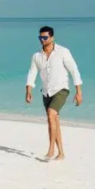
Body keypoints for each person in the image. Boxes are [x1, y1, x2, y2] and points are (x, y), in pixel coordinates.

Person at [25, 26, 83, 161]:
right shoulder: (37, 56)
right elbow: (32, 73)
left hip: (61, 89)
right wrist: (28, 90)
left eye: (45, 37)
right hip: (46, 92)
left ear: (52, 38)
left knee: (51, 114)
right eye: (40, 38)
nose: (42, 40)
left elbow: (74, 70)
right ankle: (61, 153)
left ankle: (51, 149)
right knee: (54, 120)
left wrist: (79, 92)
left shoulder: (63, 52)